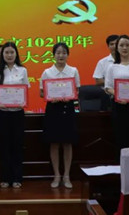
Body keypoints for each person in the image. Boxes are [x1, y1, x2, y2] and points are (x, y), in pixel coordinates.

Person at [40, 42, 79, 189]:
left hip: (68, 108)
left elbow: (77, 91)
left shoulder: (73, 71)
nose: (61, 55)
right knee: (54, 143)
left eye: (64, 53)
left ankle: (67, 175)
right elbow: (42, 92)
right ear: (53, 55)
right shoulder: (47, 72)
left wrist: (70, 96)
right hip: (53, 109)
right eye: (58, 53)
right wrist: (51, 97)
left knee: (68, 143)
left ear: (68, 55)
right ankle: (56, 175)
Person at [0, 42, 28, 189]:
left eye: (12, 52)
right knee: (4, 146)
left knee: (17, 145)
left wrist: (22, 102)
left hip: (18, 113)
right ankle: (6, 177)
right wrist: (1, 102)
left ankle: (17, 177)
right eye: (6, 53)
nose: (9, 55)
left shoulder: (22, 70)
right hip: (3, 113)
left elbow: (25, 90)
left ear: (16, 54)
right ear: (2, 55)